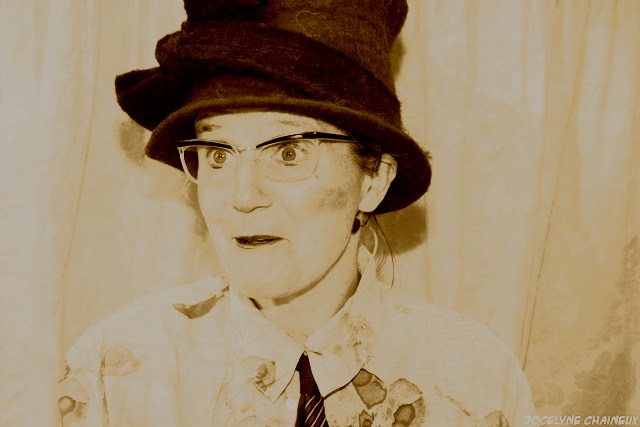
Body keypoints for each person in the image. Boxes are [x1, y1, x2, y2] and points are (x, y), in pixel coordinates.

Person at [58, 1, 535, 426]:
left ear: (373, 181)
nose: (243, 196)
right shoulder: (114, 373)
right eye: (218, 154)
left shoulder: (476, 380)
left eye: (287, 152)